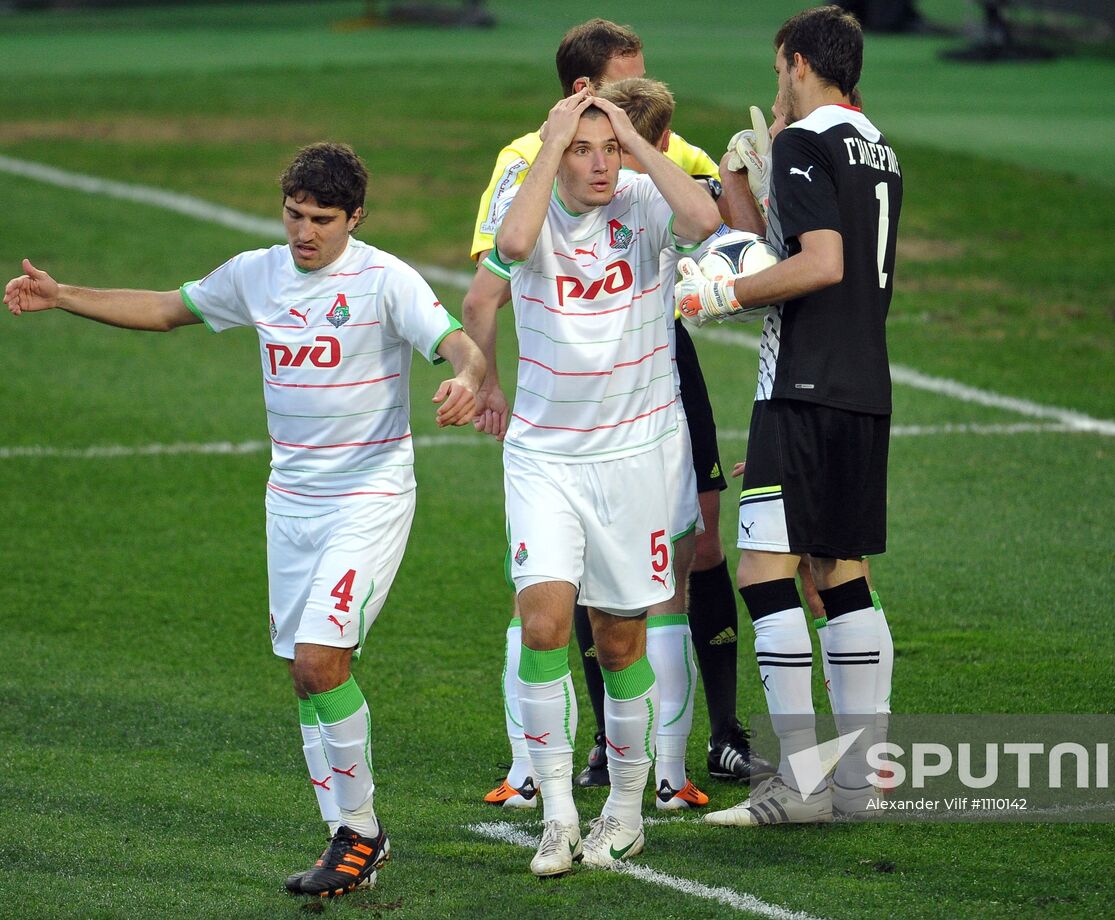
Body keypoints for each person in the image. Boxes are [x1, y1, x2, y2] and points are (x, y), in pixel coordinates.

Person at [3, 142, 486, 898]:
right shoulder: (256, 273)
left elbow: (460, 345)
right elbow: (167, 310)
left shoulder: (386, 279)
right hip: (290, 502)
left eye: (322, 219)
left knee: (321, 662)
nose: (304, 232)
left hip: (369, 495)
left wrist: (466, 377)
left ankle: (362, 832)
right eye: (294, 214)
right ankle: (346, 834)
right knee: (305, 677)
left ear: (354, 218)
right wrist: (64, 295)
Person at [468, 18, 764, 810]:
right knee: (552, 601)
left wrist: (668, 151)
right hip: (562, 415)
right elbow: (498, 265)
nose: (634, 97)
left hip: (650, 383)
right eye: (620, 83)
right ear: (579, 94)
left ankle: (676, 764)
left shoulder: (639, 150)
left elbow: (718, 213)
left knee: (677, 566)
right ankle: (546, 770)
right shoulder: (522, 164)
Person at [677, 4, 901, 825]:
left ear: (800, 62)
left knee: (764, 576)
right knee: (838, 572)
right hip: (863, 388)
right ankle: (862, 780)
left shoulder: (805, 142)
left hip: (801, 387)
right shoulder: (877, 145)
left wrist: (722, 292)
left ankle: (794, 786)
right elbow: (806, 247)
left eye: (780, 72)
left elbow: (819, 264)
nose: (778, 87)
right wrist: (747, 187)